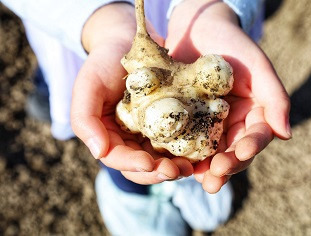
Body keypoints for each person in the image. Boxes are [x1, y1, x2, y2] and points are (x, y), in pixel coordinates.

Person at [1, 0, 291, 235]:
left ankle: (185, 181)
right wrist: (102, 21)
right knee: (118, 138)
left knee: (178, 157)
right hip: (78, 27)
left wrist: (215, 7)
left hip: (190, 20)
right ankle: (130, 195)